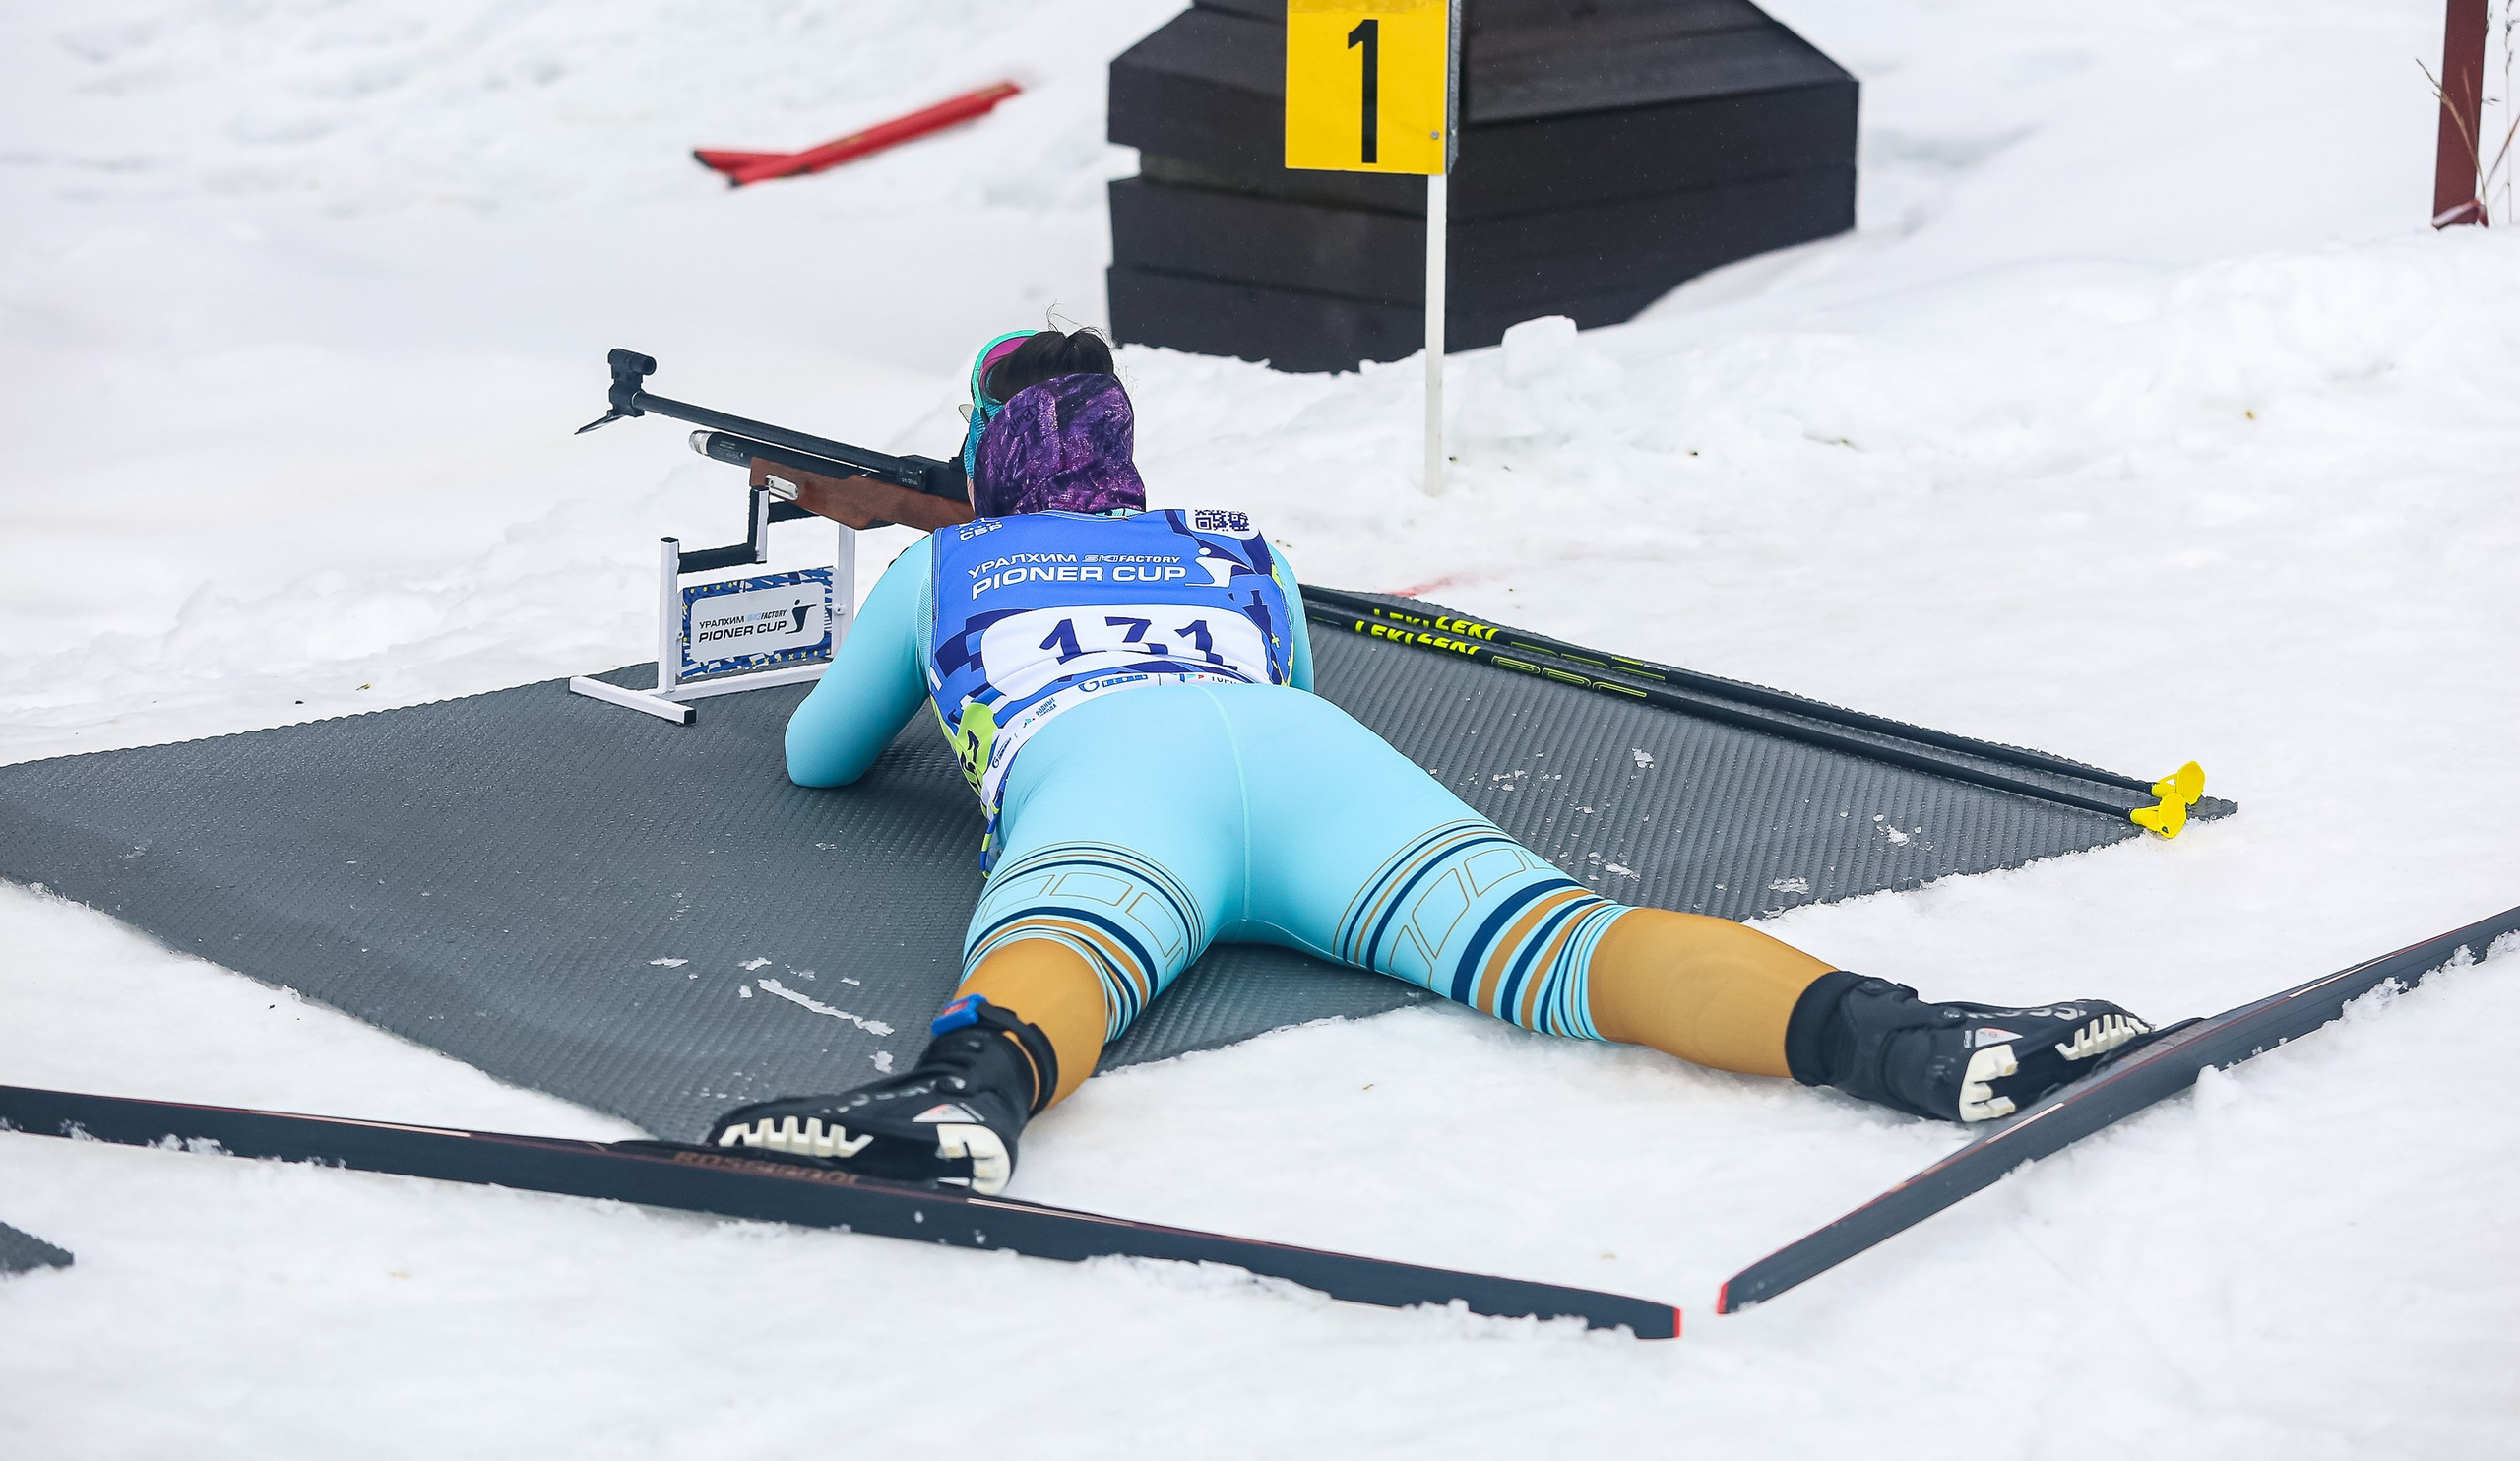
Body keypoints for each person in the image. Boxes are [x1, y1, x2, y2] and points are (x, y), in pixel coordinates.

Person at [708, 328, 2151, 1192]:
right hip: (1312, 758)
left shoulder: (953, 562)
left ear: (982, 451)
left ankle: (966, 1102)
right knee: (1566, 939)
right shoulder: (1239, 548)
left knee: (1068, 944)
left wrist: (910, 573)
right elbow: (1290, 684)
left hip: (1112, 767)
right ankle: (1909, 1039)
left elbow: (819, 757)